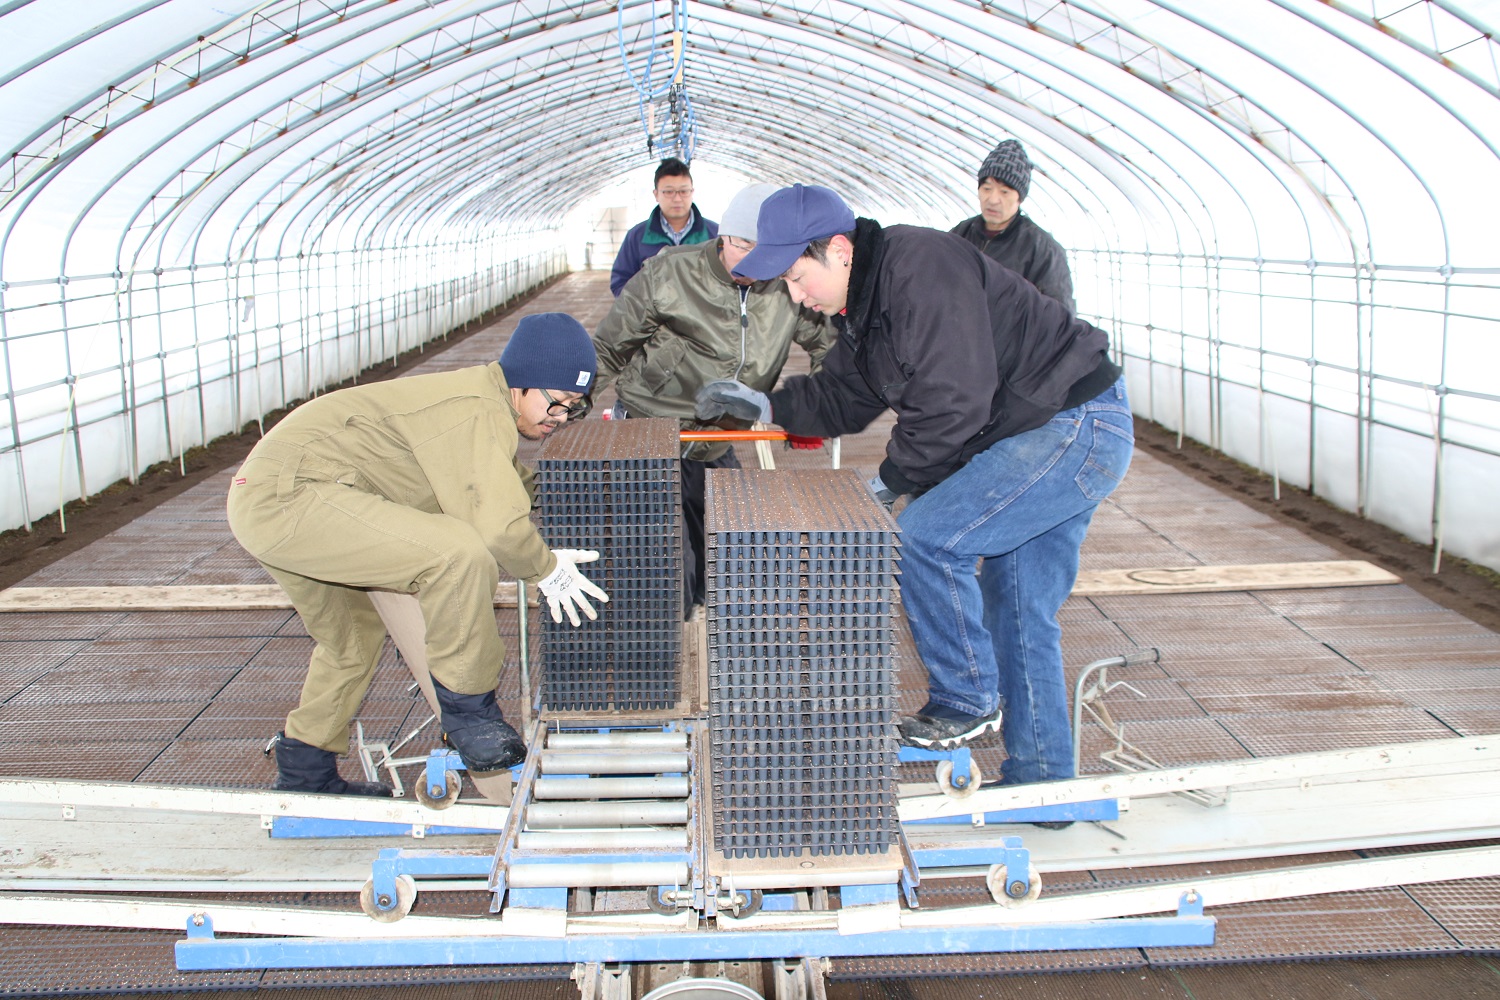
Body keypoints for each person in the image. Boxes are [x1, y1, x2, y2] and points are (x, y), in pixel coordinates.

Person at [695, 185, 1133, 787]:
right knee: (1018, 610)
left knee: (925, 537)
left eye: (799, 277)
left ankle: (966, 699)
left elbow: (954, 399)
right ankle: (1042, 781)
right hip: (1040, 432)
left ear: (840, 250)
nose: (798, 298)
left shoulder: (920, 266)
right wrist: (764, 405)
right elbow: (841, 396)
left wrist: (891, 480)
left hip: (1071, 426)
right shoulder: (866, 307)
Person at [227, 313, 610, 796]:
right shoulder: (475, 408)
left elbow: (507, 480)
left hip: (276, 499)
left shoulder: (482, 406)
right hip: (294, 496)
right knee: (457, 554)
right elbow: (495, 527)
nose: (559, 419)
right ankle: (470, 714)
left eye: (573, 408)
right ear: (521, 384)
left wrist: (569, 494)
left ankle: (306, 772)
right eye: (557, 405)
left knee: (351, 642)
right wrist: (546, 570)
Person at [595, 183, 835, 615]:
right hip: (655, 431)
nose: (754, 260)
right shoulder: (670, 272)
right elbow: (610, 347)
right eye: (743, 245)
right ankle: (666, 657)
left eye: (767, 250)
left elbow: (828, 345)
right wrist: (567, 411)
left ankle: (708, 653)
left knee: (724, 557)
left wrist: (816, 408)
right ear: (723, 236)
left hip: (720, 438)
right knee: (668, 565)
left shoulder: (787, 285)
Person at [950, 139, 1075, 315]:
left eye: (1004, 192)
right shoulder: (960, 234)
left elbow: (1058, 316)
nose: (993, 199)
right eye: (987, 189)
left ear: (1020, 198)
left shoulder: (1042, 249)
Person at [609, 157, 719, 296]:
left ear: (692, 192)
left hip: (702, 317)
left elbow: (727, 281)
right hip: (652, 317)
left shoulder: (715, 235)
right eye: (669, 192)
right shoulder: (637, 236)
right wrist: (645, 311)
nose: (677, 199)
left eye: (684, 191)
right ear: (656, 194)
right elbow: (620, 282)